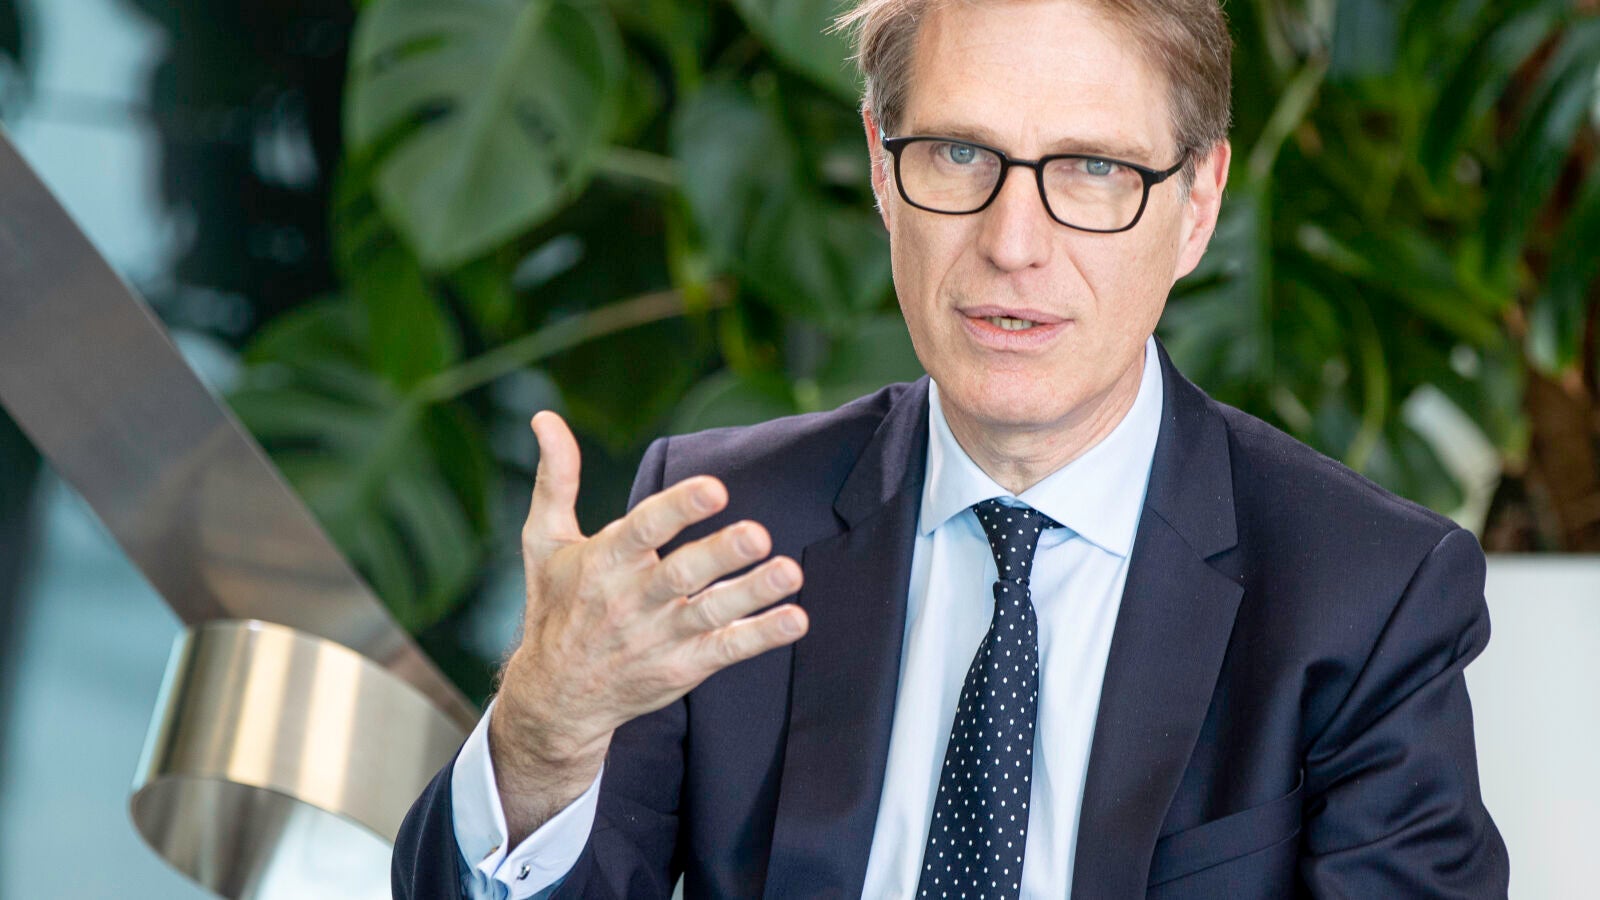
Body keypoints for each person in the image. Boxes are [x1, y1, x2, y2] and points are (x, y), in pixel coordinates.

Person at [392, 0, 1509, 896]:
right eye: (960, 153)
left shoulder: (1365, 592)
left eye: (1093, 170)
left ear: (1198, 204)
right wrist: (541, 736)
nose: (1012, 244)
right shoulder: (722, 523)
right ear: (884, 173)